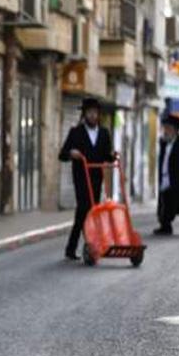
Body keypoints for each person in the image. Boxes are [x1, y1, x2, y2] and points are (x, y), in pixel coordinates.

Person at [58, 97, 115, 261]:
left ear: (98, 115)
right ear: (84, 114)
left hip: (96, 178)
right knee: (85, 208)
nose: (92, 116)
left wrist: (113, 157)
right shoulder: (76, 132)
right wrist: (71, 153)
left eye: (95, 113)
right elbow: (62, 154)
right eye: (89, 112)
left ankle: (73, 247)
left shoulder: (104, 133)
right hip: (81, 178)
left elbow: (106, 155)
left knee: (86, 212)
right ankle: (92, 243)